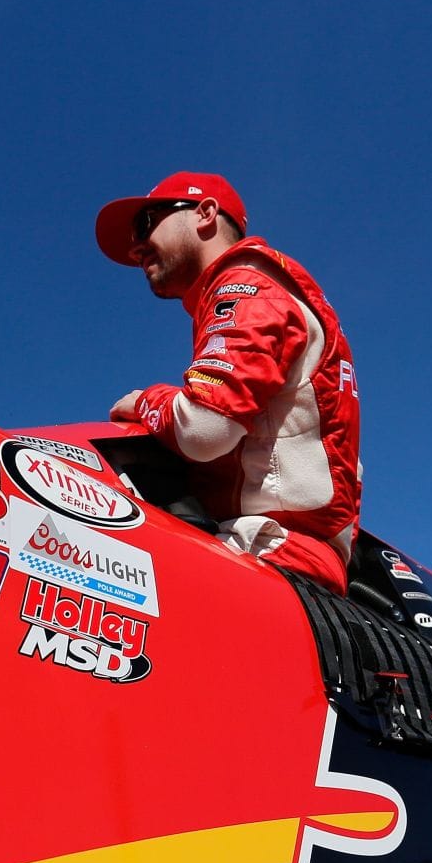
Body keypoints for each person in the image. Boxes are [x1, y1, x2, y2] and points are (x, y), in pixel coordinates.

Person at [99, 172, 360, 594]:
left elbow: (205, 429)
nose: (135, 246)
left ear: (204, 214)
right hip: (291, 564)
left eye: (146, 223)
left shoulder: (245, 284)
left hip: (269, 558)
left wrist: (146, 401)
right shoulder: (268, 287)